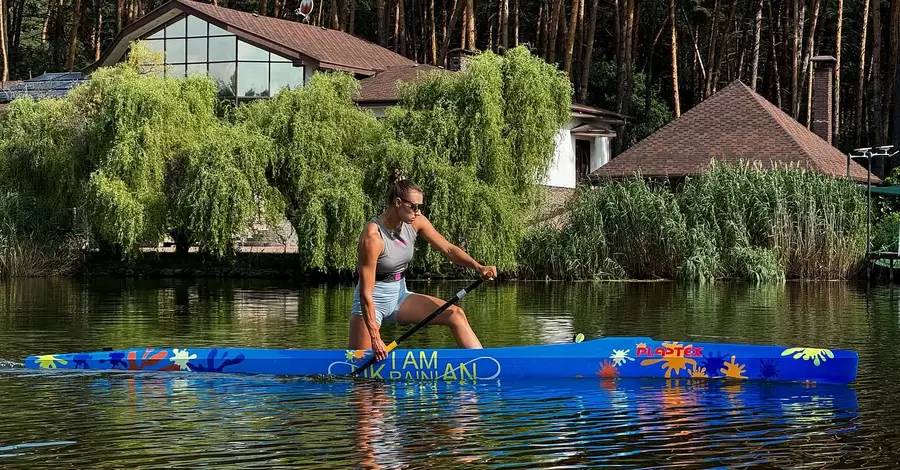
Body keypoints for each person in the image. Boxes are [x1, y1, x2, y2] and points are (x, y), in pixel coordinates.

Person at [349, 169, 497, 361]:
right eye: (414, 207)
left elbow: (449, 250)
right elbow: (365, 293)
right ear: (398, 203)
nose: (418, 212)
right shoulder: (373, 236)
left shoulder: (416, 222)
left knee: (456, 314)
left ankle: (482, 363)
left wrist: (478, 267)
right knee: (359, 365)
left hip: (399, 295)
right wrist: (376, 338)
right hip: (372, 301)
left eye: (420, 207)